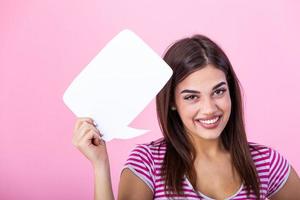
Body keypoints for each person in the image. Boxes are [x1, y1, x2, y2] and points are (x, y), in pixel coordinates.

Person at [72, 35, 300, 200]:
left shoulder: (266, 163)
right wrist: (100, 165)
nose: (209, 108)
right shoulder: (148, 163)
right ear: (172, 102)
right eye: (192, 97)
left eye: (218, 91)